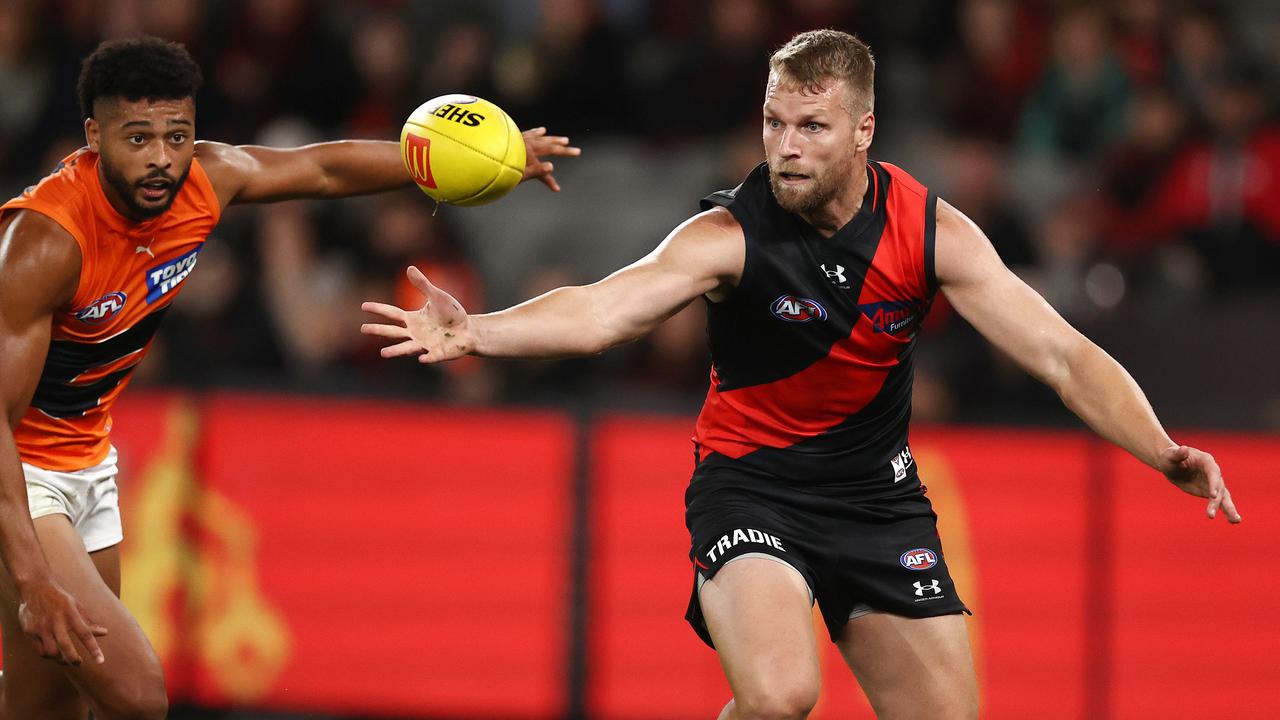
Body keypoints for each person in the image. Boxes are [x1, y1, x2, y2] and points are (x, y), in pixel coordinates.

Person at [361, 29, 1241, 720]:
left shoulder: (932, 232)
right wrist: (477, 330)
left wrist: (1162, 450)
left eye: (811, 126)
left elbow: (1062, 354)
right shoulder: (729, 235)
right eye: (775, 123)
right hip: (751, 490)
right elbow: (602, 312)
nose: (785, 146)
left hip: (876, 499)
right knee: (782, 696)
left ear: (863, 130)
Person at [0, 36, 578, 720]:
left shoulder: (204, 180)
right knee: (137, 697)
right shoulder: (45, 244)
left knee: (48, 702)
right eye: (137, 138)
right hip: (19, 470)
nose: (161, 157)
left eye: (177, 135)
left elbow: (324, 170)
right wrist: (33, 575)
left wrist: (463, 160)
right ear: (95, 137)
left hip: (84, 460)